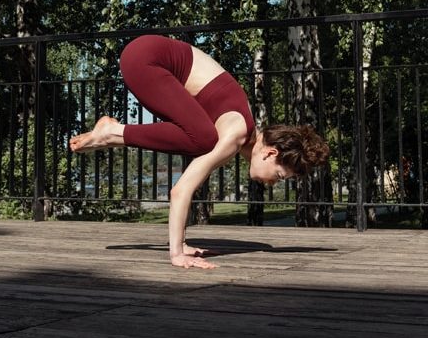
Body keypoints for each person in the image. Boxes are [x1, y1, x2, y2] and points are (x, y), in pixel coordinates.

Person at [69, 34, 330, 270]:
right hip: (145, 59)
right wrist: (176, 254)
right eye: (279, 176)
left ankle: (113, 133)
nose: (273, 183)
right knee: (204, 139)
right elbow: (181, 189)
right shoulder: (235, 135)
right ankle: (113, 132)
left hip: (147, 56)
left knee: (201, 135)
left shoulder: (241, 128)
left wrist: (182, 244)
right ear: (270, 153)